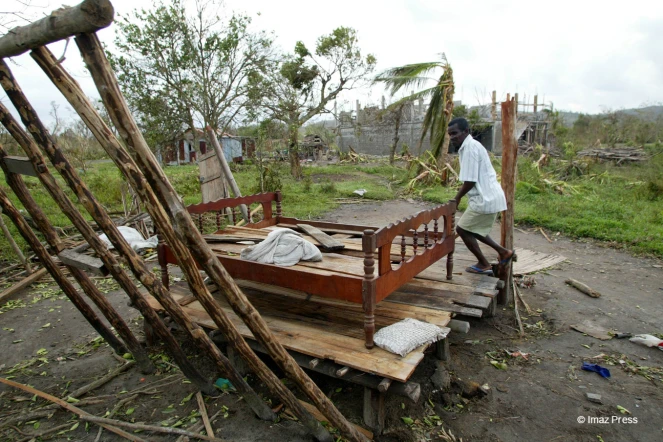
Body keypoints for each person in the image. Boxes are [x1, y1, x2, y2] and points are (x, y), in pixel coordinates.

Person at [448, 117, 515, 275]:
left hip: (485, 198)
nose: (452, 137)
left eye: (455, 133)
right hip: (489, 197)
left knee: (463, 229)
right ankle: (503, 252)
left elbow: (470, 181)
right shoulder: (469, 146)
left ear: (466, 131)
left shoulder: (470, 148)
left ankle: (484, 263)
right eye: (450, 134)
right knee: (474, 229)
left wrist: (456, 199)